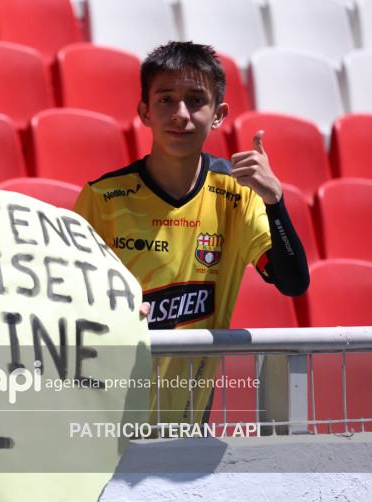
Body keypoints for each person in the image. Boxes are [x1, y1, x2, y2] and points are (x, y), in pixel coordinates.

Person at [73, 41, 309, 427]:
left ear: (219, 114)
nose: (180, 114)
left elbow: (294, 282)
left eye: (196, 100)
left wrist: (276, 201)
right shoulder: (102, 198)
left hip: (188, 425)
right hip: (106, 418)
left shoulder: (239, 196)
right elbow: (70, 306)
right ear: (144, 112)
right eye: (166, 100)